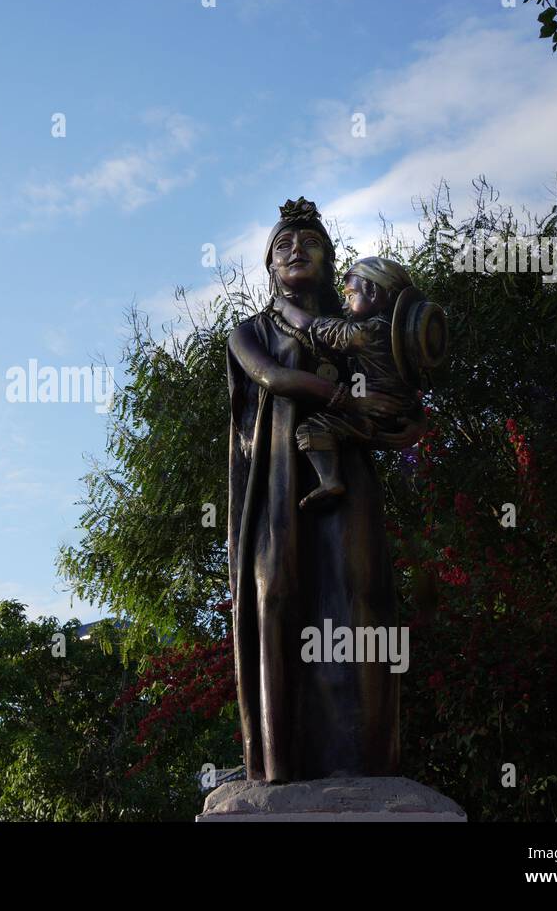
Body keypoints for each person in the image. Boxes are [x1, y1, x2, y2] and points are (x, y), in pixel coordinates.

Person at [226, 198, 422, 782]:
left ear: (331, 261)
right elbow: (272, 377)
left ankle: (366, 763)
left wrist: (399, 421)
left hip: (348, 478)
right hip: (278, 482)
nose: (296, 250)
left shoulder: (363, 328)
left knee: (358, 594)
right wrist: (340, 398)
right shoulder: (249, 331)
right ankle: (278, 764)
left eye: (309, 242)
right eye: (284, 244)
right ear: (268, 268)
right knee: (277, 597)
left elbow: (405, 405)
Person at [271, 256, 421, 509]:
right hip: (400, 410)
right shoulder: (401, 334)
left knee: (311, 428)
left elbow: (311, 326)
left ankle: (329, 479)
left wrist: (284, 308)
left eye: (350, 296)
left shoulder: (365, 333)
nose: (344, 304)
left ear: (372, 291)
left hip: (376, 413)